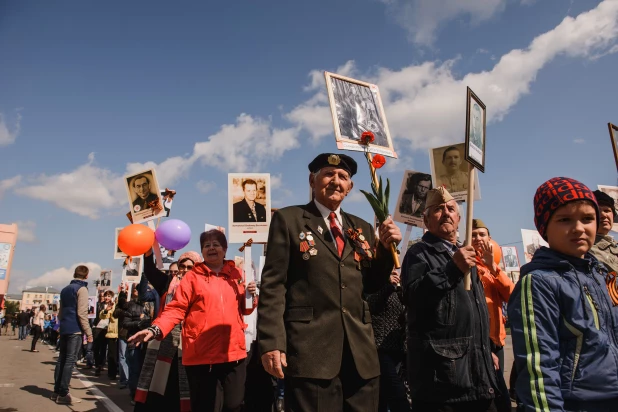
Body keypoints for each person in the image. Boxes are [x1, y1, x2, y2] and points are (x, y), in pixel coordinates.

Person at [257, 153, 402, 411]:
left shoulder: (362, 228)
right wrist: (272, 341)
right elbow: (273, 285)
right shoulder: (289, 220)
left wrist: (384, 251)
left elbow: (370, 285)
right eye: (329, 174)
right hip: (311, 353)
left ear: (350, 188)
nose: (336, 181)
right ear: (312, 180)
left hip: (361, 354)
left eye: (343, 177)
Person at [508, 177, 618, 411]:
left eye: (588, 218)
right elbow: (538, 370)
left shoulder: (599, 274)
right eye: (565, 219)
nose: (579, 228)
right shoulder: (538, 282)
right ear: (544, 227)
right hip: (575, 404)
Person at [129, 229, 258, 412]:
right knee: (205, 405)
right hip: (201, 354)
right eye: (206, 245)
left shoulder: (237, 274)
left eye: (216, 244)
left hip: (233, 351)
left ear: (225, 248)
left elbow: (245, 309)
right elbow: (176, 308)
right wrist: (155, 329)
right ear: (202, 251)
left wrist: (251, 296)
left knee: (234, 403)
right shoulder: (191, 278)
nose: (211, 248)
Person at [401, 187, 500, 411]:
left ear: (458, 219)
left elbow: (475, 310)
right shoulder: (418, 254)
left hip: (478, 374)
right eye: (437, 209)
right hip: (442, 382)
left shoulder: (467, 255)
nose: (445, 212)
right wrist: (452, 268)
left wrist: (486, 349)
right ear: (426, 220)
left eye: (450, 209)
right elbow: (414, 298)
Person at [133, 256, 192, 412]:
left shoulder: (201, 286)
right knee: (160, 387)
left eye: (190, 267)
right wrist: (147, 250)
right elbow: (150, 270)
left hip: (188, 346)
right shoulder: (167, 284)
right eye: (182, 266)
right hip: (164, 342)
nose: (185, 270)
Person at [471, 219, 514, 372]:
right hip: (479, 338)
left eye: (482, 234)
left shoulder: (492, 268)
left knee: (499, 388)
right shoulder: (467, 267)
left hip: (498, 339)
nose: (478, 238)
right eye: (473, 235)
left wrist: (493, 267)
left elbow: (512, 296)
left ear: (489, 238)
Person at [365, 271, 409, 412]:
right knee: (397, 394)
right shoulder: (376, 287)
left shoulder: (399, 291)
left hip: (398, 350)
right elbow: (371, 304)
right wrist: (388, 285)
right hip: (380, 349)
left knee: (383, 396)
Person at [52, 265, 93, 405]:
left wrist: (60, 326)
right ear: (86, 276)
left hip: (64, 327)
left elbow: (61, 311)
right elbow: (82, 313)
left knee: (61, 360)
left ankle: (57, 391)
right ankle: (64, 393)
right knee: (70, 361)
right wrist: (88, 332)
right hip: (75, 328)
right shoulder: (82, 289)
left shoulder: (65, 289)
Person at [122, 283, 151, 401]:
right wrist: (140, 322)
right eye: (145, 290)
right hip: (135, 342)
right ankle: (134, 394)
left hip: (149, 343)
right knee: (135, 369)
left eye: (150, 289)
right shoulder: (131, 306)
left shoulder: (155, 304)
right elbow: (125, 323)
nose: (148, 292)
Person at [590, 190, 618, 305]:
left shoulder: (614, 245)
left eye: (607, 210)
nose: (604, 215)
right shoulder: (587, 250)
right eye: (598, 211)